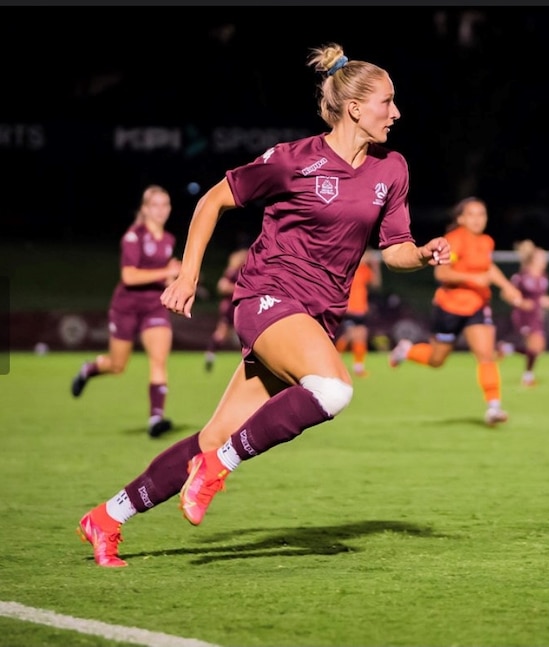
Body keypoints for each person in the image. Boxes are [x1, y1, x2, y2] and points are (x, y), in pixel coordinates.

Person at [76, 43, 450, 568]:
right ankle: (219, 468)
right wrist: (187, 274)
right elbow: (212, 201)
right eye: (387, 102)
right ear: (355, 107)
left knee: (212, 436)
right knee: (334, 390)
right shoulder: (292, 160)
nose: (396, 113)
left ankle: (107, 517)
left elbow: (395, 250)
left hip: (315, 317)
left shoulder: (392, 169)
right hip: (267, 295)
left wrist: (425, 254)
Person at [388, 196, 523, 426]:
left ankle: (493, 407)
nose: (478, 219)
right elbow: (442, 274)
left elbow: (488, 268)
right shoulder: (454, 240)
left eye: (482, 214)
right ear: (460, 218)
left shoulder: (486, 241)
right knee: (436, 360)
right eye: (471, 214)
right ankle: (407, 350)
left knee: (486, 355)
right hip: (450, 307)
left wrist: (507, 287)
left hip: (478, 306)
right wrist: (473, 278)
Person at [70, 184, 181, 438]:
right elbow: (129, 276)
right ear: (145, 209)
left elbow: (161, 278)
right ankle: (89, 369)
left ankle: (156, 419)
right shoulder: (133, 236)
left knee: (159, 359)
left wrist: (177, 279)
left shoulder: (168, 240)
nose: (161, 210)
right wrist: (167, 272)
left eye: (165, 205)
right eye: (155, 205)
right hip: (126, 307)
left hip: (154, 305)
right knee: (118, 365)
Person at [506, 239, 549, 387]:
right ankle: (528, 377)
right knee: (535, 347)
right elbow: (507, 293)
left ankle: (508, 349)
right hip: (523, 315)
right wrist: (520, 302)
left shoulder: (543, 278)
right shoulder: (522, 277)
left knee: (538, 349)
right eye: (542, 257)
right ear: (534, 259)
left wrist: (545, 301)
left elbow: (538, 298)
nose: (544, 261)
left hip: (536, 316)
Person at [334, 247, 382, 377]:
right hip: (349, 308)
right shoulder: (349, 268)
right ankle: (336, 360)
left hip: (361, 308)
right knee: (354, 334)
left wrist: (375, 267)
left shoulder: (365, 270)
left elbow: (376, 285)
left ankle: (358, 367)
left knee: (359, 335)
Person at [203, 242, 250, 372]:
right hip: (231, 307)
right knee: (224, 332)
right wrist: (241, 289)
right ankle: (211, 354)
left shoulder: (246, 272)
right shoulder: (234, 272)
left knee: (230, 333)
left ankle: (212, 354)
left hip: (240, 306)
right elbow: (222, 286)